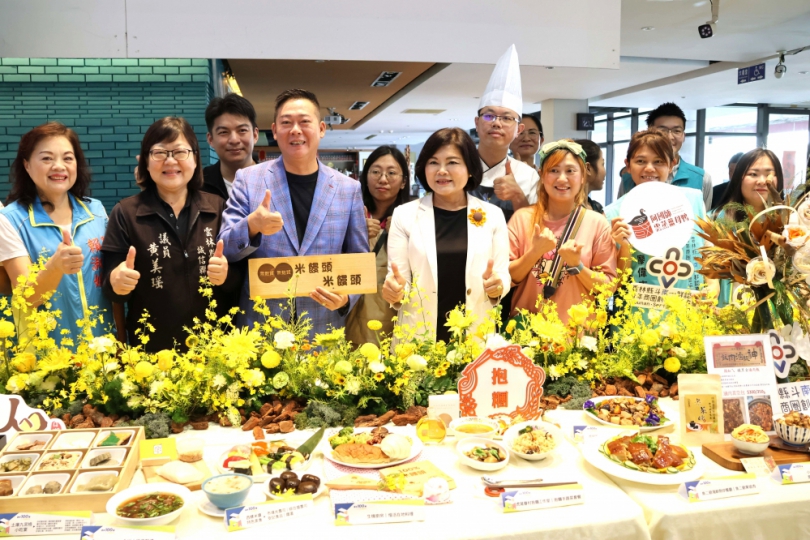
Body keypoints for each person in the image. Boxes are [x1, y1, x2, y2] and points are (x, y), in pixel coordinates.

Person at [218, 89, 368, 335]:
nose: (295, 130)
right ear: (275, 131)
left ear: (321, 129)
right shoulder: (248, 180)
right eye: (286, 123)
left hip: (323, 328)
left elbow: (359, 260)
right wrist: (252, 225)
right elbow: (225, 247)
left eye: (304, 122)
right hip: (262, 327)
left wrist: (345, 299)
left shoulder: (347, 189)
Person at [102, 117, 237, 352]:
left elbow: (239, 277)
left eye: (180, 152)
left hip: (216, 352)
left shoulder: (218, 208)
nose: (171, 160)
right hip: (154, 353)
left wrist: (228, 274)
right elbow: (109, 285)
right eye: (160, 152)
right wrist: (117, 281)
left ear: (195, 158)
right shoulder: (125, 213)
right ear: (145, 160)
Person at [383, 127, 509, 343]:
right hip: (418, 338)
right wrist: (394, 290)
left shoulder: (493, 215)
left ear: (470, 168)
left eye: (452, 162)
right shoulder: (405, 215)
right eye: (433, 162)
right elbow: (399, 279)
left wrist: (499, 285)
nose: (441, 170)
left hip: (476, 333)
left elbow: (501, 273)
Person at [0, 122, 111, 346]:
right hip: (46, 361)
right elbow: (26, 297)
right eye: (47, 158)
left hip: (101, 352)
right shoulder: (10, 220)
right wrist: (55, 267)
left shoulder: (96, 212)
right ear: (27, 165)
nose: (59, 166)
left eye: (68, 158)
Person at [508, 140, 616, 324]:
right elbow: (506, 277)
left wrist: (577, 266)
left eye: (570, 171)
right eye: (553, 170)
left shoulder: (597, 223)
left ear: (583, 175)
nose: (562, 179)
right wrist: (535, 252)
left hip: (577, 337)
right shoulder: (522, 218)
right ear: (541, 175)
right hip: (527, 333)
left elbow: (607, 286)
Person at [606, 130, 717, 297]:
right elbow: (616, 282)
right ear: (628, 165)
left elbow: (708, 249)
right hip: (638, 311)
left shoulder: (693, 200)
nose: (649, 168)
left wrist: (713, 285)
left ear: (671, 165)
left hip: (690, 307)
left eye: (658, 161)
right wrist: (625, 247)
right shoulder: (613, 214)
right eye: (641, 161)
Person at [346, 145, 410, 345]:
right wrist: (355, 233)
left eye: (391, 173)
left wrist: (405, 234)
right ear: (365, 177)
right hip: (349, 313)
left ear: (403, 182)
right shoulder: (348, 212)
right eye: (375, 172)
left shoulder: (413, 218)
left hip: (393, 313)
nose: (383, 179)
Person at [469, 45, 540, 223]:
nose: (497, 123)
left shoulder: (527, 176)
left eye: (507, 118)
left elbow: (535, 229)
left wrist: (517, 195)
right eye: (488, 115)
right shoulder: (459, 167)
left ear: (518, 130)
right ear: (477, 123)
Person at [712, 149, 784, 307]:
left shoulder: (791, 221)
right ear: (739, 178)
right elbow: (710, 266)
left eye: (769, 173)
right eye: (753, 174)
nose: (762, 181)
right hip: (730, 308)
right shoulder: (719, 219)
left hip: (779, 309)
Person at [617, 103, 713, 210]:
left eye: (677, 131)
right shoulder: (629, 178)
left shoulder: (702, 179)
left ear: (683, 136)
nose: (669, 137)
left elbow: (704, 223)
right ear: (650, 132)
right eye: (662, 131)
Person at [202, 93, 260, 201]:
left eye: (242, 130)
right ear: (211, 139)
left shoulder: (276, 181)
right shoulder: (198, 185)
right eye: (223, 132)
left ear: (255, 135)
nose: (234, 140)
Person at [574, 139, 606, 214]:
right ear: (588, 168)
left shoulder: (596, 208)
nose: (605, 172)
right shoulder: (564, 211)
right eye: (602, 164)